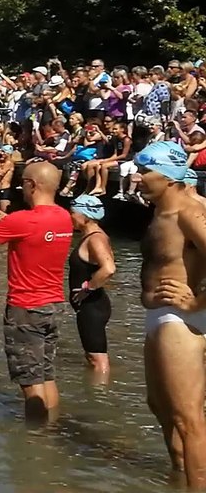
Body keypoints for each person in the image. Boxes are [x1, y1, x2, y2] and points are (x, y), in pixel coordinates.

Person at [0, 161, 72, 422]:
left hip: (25, 309)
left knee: (31, 384)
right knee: (46, 375)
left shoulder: (23, 220)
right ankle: (51, 432)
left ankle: (35, 439)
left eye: (23, 184)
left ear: (31, 185)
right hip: (53, 306)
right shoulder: (64, 217)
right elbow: (30, 232)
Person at [134, 141, 206, 487]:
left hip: (181, 321)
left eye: (146, 170)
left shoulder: (188, 212)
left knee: (188, 419)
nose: (138, 177)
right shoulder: (160, 212)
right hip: (159, 318)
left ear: (170, 176)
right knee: (160, 409)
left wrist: (197, 303)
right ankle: (179, 480)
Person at [67, 195, 116, 376]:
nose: (69, 216)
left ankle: (100, 395)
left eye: (72, 213)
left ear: (84, 215)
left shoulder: (95, 239)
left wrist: (88, 288)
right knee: (93, 356)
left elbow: (109, 268)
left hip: (92, 306)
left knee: (98, 360)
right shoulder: (94, 236)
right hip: (93, 305)